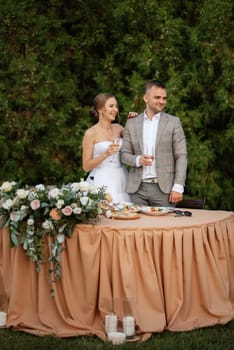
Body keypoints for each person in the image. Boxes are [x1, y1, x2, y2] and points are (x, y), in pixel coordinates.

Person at [120, 81, 187, 207]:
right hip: (137, 190)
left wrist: (178, 186)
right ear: (146, 98)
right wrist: (138, 160)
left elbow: (181, 156)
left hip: (164, 190)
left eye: (164, 98)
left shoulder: (174, 122)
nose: (161, 101)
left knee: (165, 227)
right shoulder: (132, 123)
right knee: (137, 226)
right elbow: (124, 155)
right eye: (157, 97)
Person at [82, 93, 130, 203]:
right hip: (101, 179)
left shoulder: (118, 128)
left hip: (121, 178)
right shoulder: (90, 133)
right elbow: (86, 166)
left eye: (116, 106)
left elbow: (134, 141)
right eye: (111, 106)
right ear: (100, 109)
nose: (115, 110)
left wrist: (132, 122)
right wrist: (105, 154)